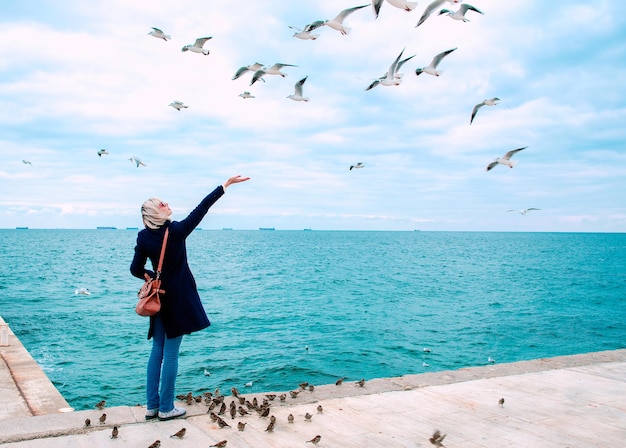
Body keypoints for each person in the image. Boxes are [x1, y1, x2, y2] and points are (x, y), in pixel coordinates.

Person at [130, 175, 250, 421]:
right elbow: (202, 209)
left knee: (157, 351)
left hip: (158, 299)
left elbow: (135, 268)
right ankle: (166, 408)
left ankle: (152, 406)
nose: (166, 203)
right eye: (162, 203)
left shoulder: (144, 237)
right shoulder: (176, 231)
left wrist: (153, 277)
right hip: (178, 299)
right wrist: (224, 187)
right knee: (171, 355)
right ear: (156, 211)